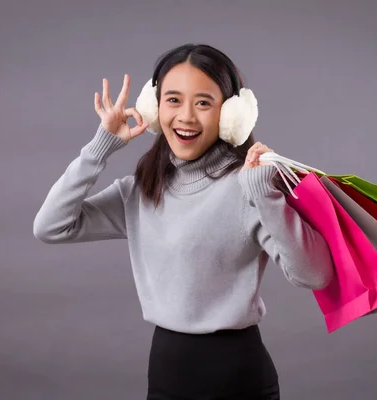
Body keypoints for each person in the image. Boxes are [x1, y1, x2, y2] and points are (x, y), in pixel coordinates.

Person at [33, 43, 334, 399]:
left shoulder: (250, 188)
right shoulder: (141, 191)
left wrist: (264, 195)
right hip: (166, 375)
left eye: (203, 102)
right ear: (154, 107)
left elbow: (314, 275)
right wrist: (102, 146)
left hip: (240, 380)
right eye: (173, 100)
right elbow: (51, 226)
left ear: (230, 115)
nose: (186, 117)